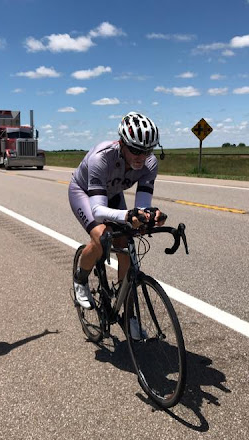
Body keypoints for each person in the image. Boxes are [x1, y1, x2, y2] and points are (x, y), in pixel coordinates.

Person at [68, 112, 165, 339]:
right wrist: (129, 215)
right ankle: (80, 279)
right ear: (122, 143)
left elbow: (142, 205)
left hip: (112, 195)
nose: (141, 157)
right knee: (101, 237)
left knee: (125, 242)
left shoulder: (150, 163)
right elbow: (97, 211)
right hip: (84, 194)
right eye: (136, 150)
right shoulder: (101, 157)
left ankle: (127, 315)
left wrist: (149, 216)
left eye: (148, 150)